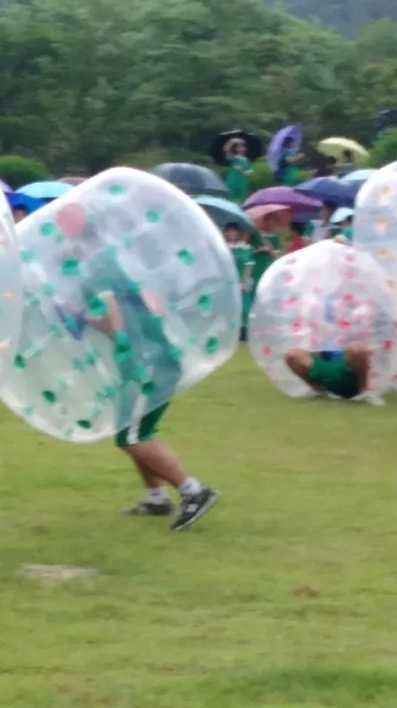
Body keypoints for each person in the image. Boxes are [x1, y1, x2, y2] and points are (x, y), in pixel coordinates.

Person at [62, 205, 219, 529]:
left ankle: (194, 491)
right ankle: (156, 497)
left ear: (76, 236)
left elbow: (112, 319)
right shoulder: (111, 259)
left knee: (131, 436)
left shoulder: (97, 267)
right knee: (132, 429)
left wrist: (80, 315)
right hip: (149, 358)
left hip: (146, 361)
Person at [283, 344, 384, 405]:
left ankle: (365, 391)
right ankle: (319, 391)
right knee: (292, 355)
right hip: (329, 363)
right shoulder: (325, 318)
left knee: (356, 348)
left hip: (351, 367)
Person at [223, 223, 254, 341]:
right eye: (229, 231)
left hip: (242, 280)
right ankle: (230, 331)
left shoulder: (244, 247)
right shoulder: (223, 247)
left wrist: (244, 282)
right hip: (228, 281)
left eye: (234, 231)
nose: (231, 234)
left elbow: (249, 264)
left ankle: (244, 331)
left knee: (245, 306)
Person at [224, 138, 253, 203]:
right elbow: (226, 150)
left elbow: (249, 173)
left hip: (242, 184)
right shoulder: (234, 158)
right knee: (230, 200)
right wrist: (231, 141)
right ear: (235, 149)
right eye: (239, 147)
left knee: (240, 200)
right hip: (232, 183)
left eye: (243, 146)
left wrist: (241, 170)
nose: (242, 148)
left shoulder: (246, 160)